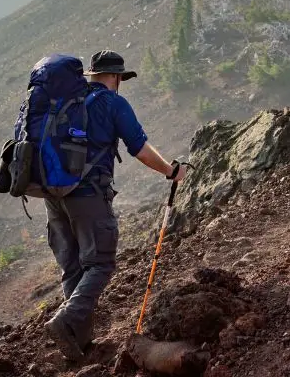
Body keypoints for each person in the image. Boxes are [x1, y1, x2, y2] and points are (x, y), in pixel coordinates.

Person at [43, 50, 186, 361]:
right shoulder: (113, 103)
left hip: (52, 195)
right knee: (101, 264)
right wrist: (171, 171)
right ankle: (66, 320)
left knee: (74, 267)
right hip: (88, 194)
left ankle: (78, 345)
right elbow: (139, 148)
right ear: (117, 77)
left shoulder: (64, 102)